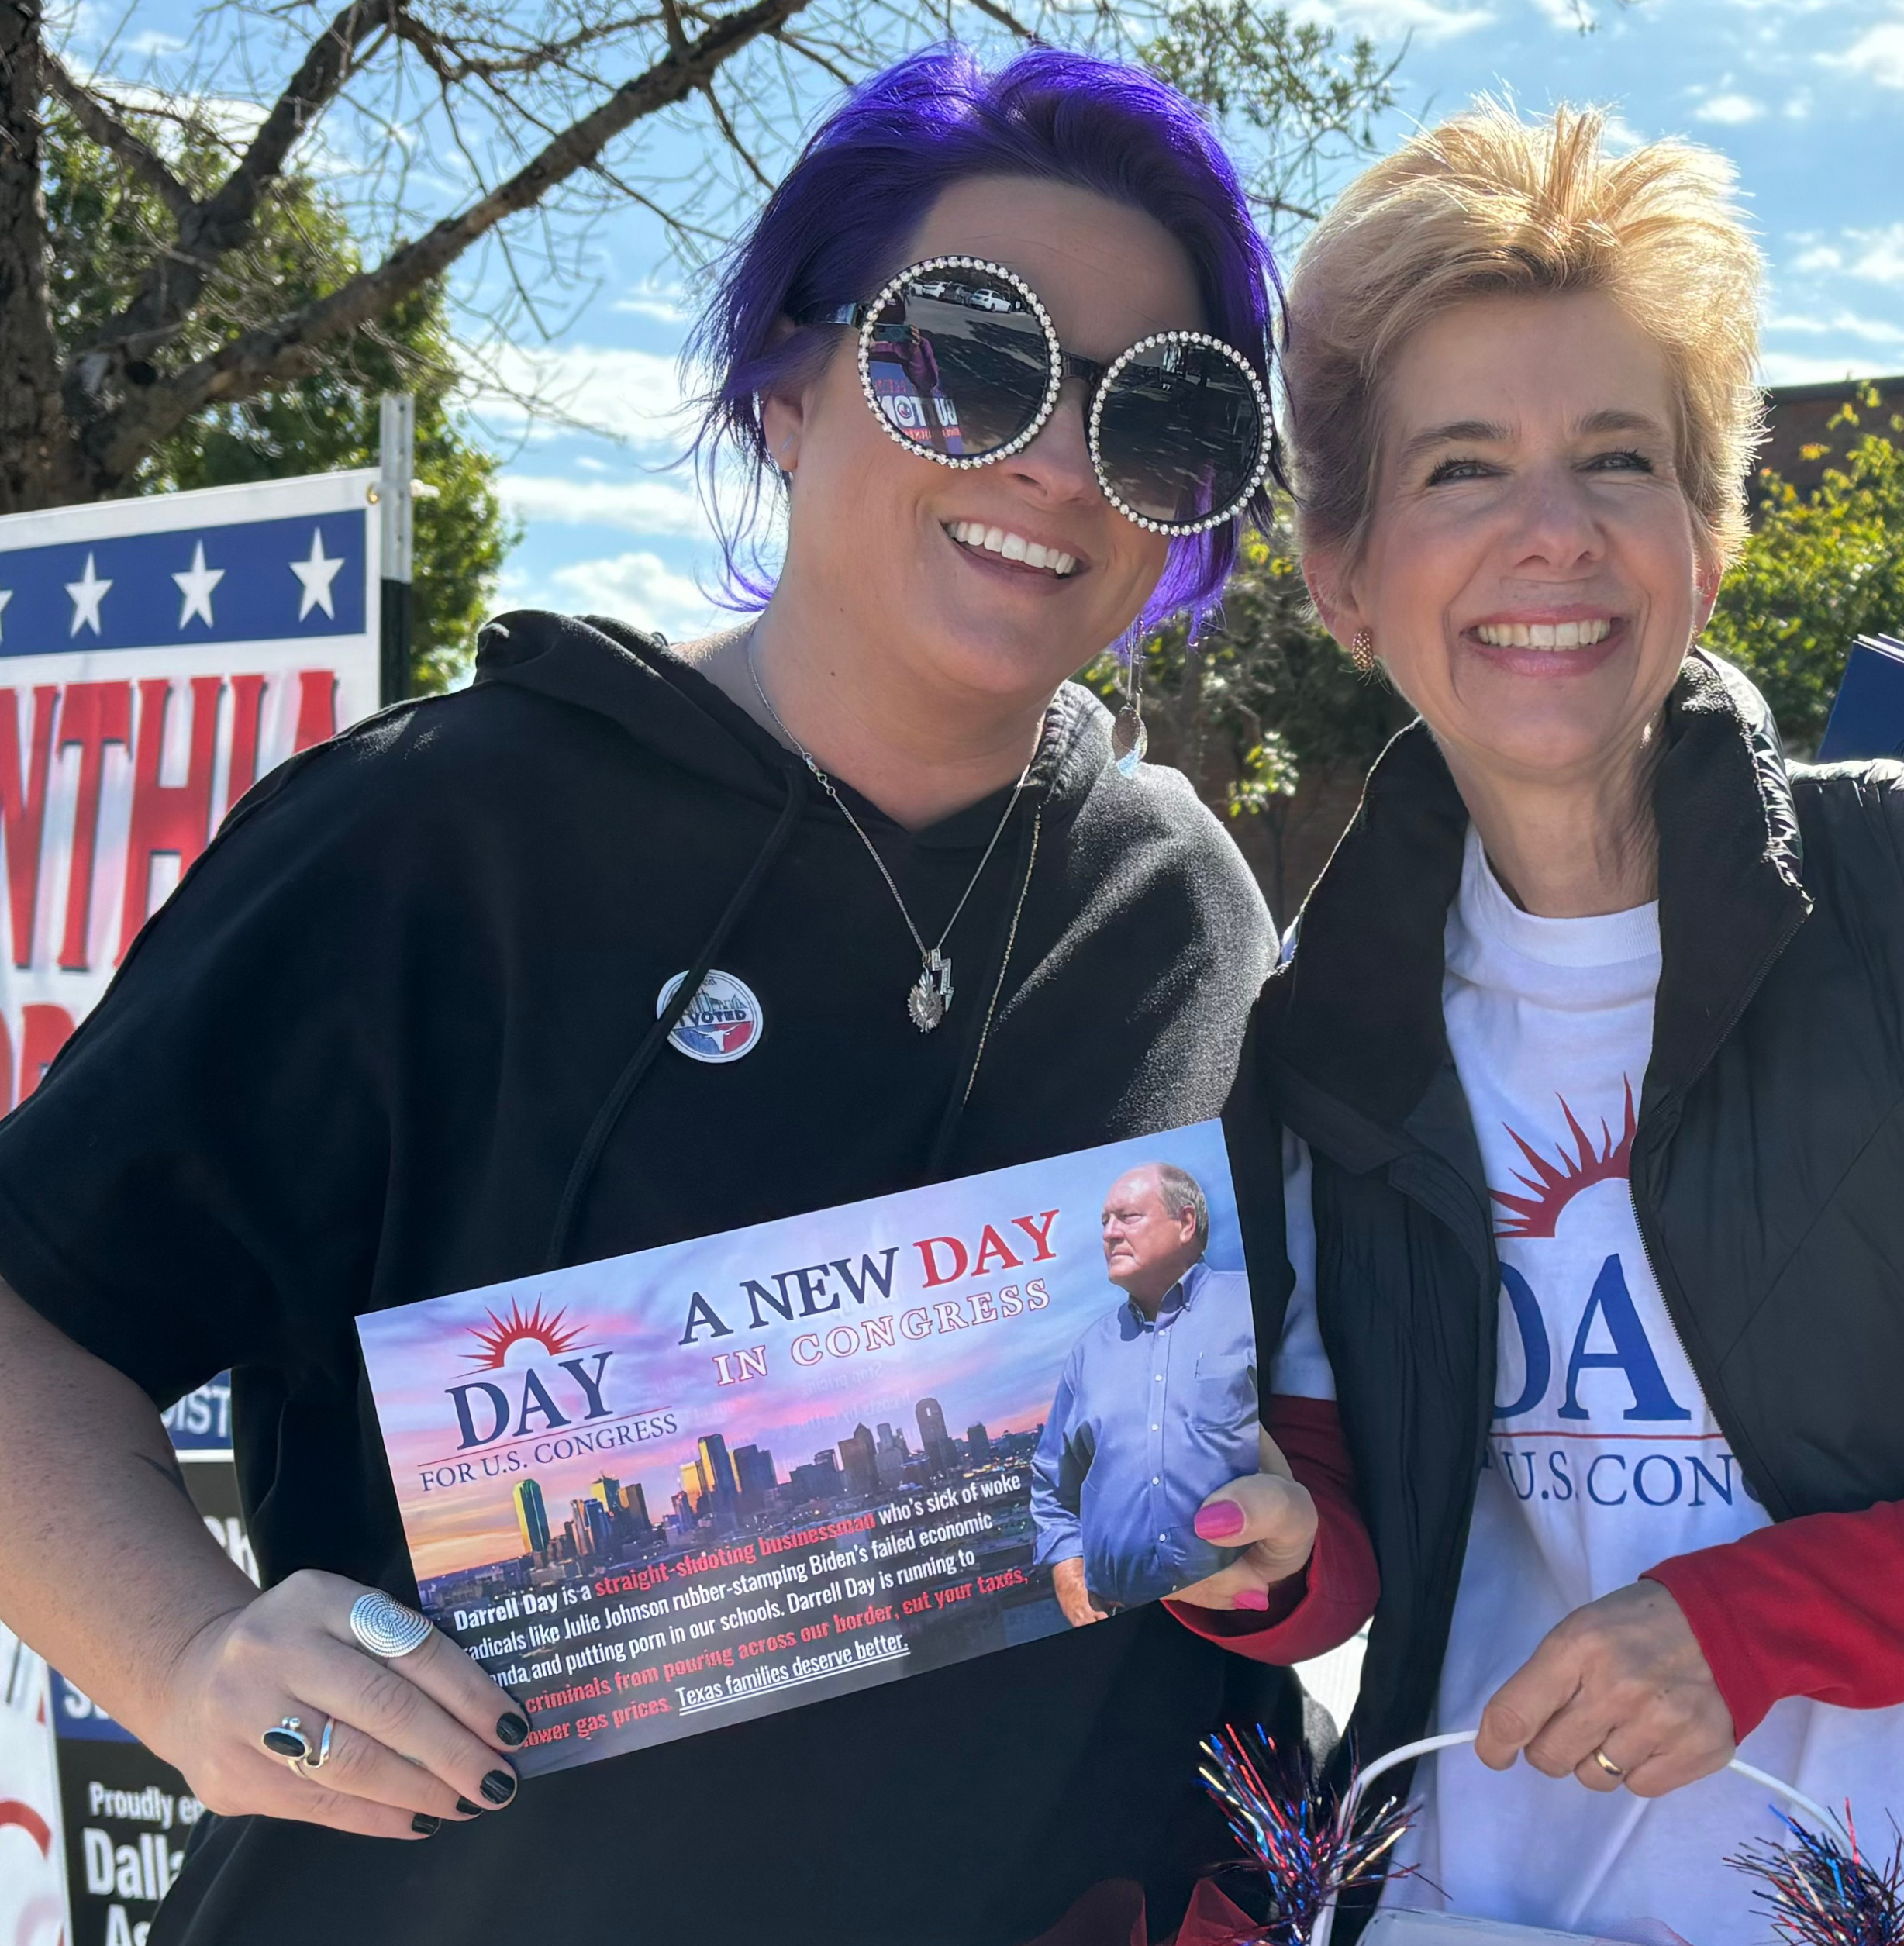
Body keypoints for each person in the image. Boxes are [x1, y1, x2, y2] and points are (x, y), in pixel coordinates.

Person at [0, 45, 1330, 1946]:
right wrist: (192, 1653)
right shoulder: (438, 839)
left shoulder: (1181, 905)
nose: (1052, 457)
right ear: (785, 382)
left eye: (1161, 415)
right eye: (969, 353)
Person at [1237, 102, 1904, 1946]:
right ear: (1340, 572)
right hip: (1492, 1894)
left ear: (1705, 538)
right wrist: (1240, 1555)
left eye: (1616, 458)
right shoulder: (1331, 1010)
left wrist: (1756, 1619)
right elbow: (1347, 1514)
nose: (1547, 534)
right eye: (1458, 469)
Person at [1033, 1164, 1259, 1617]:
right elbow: (1052, 1492)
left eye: (1127, 1217)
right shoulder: (1088, 1352)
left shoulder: (1250, 1308)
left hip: (1248, 1610)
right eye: (1104, 1222)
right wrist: (1073, 1588)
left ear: (1186, 1223)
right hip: (1125, 1623)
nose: (1109, 1234)